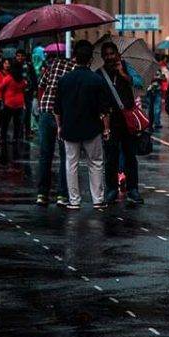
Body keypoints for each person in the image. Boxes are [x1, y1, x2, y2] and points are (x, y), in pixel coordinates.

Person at [54, 40, 112, 211]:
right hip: (92, 128)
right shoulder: (96, 80)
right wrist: (106, 128)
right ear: (90, 60)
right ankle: (98, 200)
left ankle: (74, 200)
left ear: (75, 58)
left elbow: (57, 108)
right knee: (96, 163)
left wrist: (59, 126)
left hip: (69, 127)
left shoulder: (64, 80)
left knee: (71, 164)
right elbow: (104, 109)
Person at [98, 41, 145, 206]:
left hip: (127, 120)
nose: (110, 57)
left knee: (130, 156)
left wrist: (123, 74)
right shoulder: (100, 73)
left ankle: (133, 189)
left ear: (118, 54)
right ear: (103, 57)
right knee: (111, 157)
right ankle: (111, 190)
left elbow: (139, 82)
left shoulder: (126, 67)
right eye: (107, 54)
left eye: (113, 53)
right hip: (110, 121)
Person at [35, 53, 73, 205]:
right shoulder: (77, 70)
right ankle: (62, 194)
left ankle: (42, 194)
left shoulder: (55, 64)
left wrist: (41, 104)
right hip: (63, 115)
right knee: (66, 155)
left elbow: (41, 85)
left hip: (46, 111)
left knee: (45, 155)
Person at [0, 58, 27, 147]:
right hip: (19, 103)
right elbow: (24, 87)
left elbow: (0, 86)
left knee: (5, 123)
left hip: (9, 102)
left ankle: (3, 139)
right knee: (17, 123)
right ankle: (15, 139)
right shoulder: (22, 80)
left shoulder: (9, 78)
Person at [14, 49, 37, 139]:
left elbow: (34, 77)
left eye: (22, 56)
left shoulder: (29, 65)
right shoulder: (14, 66)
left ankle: (27, 132)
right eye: (18, 56)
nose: (20, 58)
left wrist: (35, 89)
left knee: (27, 113)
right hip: (18, 93)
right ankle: (19, 133)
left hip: (28, 92)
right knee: (19, 113)